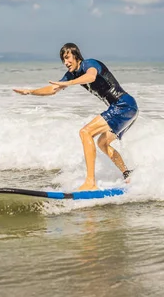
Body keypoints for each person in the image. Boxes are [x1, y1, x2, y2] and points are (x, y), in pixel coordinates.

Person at [13, 43, 139, 191]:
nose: (65, 62)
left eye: (67, 58)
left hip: (123, 105)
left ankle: (90, 183)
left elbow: (91, 77)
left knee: (85, 132)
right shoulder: (72, 74)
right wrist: (30, 91)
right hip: (128, 108)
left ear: (76, 56)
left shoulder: (89, 64)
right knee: (102, 143)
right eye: (63, 60)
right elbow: (53, 89)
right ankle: (127, 174)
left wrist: (69, 83)